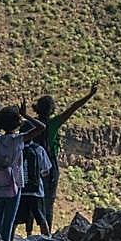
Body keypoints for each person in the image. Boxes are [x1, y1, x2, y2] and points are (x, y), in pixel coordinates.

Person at [33, 83, 98, 232]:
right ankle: (46, 235)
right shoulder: (52, 124)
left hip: (33, 166)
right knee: (49, 202)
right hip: (49, 166)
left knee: (34, 199)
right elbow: (73, 108)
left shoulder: (30, 124)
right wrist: (89, 95)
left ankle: (30, 233)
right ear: (51, 110)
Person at [0, 105, 46, 241]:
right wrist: (26, 115)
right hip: (14, 183)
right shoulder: (18, 140)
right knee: (9, 219)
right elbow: (41, 127)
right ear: (18, 122)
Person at [16, 136, 53, 237]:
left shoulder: (17, 147)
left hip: (19, 189)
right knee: (41, 218)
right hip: (36, 190)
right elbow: (46, 170)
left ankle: (9, 240)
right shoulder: (38, 149)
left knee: (15, 219)